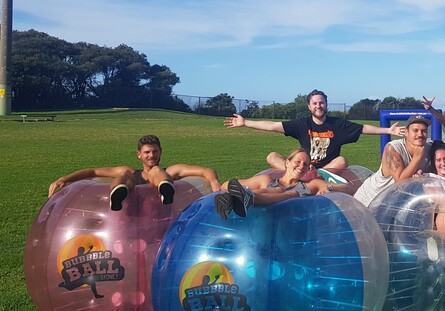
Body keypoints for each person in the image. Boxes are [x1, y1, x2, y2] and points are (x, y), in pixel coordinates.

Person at [224, 89, 403, 172]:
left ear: (326, 104)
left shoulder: (337, 124)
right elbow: (272, 126)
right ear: (310, 106)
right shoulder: (301, 124)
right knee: (272, 156)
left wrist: (388, 129)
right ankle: (300, 173)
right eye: (315, 103)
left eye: (321, 102)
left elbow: (364, 129)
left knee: (342, 160)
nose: (319, 106)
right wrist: (245, 122)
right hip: (303, 165)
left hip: (326, 169)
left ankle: (314, 176)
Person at [48, 135, 221, 211]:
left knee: (156, 171)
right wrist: (65, 178)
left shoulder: (171, 171)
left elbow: (206, 171)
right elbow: (93, 171)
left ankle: (165, 189)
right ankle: (118, 194)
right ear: (139, 154)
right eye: (147, 152)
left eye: (155, 151)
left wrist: (214, 182)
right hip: (133, 215)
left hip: (160, 215)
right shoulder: (130, 172)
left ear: (161, 152)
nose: (151, 155)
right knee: (125, 175)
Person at [214, 149, 355, 219]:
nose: (301, 166)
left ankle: (248, 198)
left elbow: (349, 189)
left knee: (290, 193)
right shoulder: (266, 180)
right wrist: (232, 191)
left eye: (305, 164)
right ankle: (240, 198)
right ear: (287, 162)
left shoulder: (311, 184)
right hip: (265, 220)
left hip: (292, 222)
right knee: (276, 190)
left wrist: (327, 186)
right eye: (297, 162)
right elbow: (225, 185)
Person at [353, 115, 434, 207]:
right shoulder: (393, 148)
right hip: (371, 201)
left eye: (424, 131)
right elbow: (400, 181)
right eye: (415, 131)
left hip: (396, 203)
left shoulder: (429, 148)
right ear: (406, 132)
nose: (420, 134)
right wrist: (417, 157)